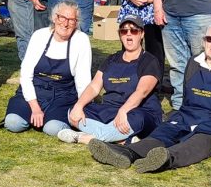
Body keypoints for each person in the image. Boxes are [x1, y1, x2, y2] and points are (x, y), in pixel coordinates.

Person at [88, 21, 211, 173]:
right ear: (204, 41)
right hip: (188, 114)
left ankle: (166, 158)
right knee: (164, 131)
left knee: (197, 142)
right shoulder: (193, 63)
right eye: (210, 39)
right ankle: (127, 153)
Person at [58, 15, 163, 145]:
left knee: (136, 119)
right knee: (73, 113)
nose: (129, 35)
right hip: (109, 110)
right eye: (124, 31)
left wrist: (123, 111)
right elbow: (94, 87)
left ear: (141, 34)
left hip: (138, 112)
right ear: (120, 35)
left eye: (134, 30)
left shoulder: (149, 61)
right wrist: (79, 106)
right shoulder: (111, 59)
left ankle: (83, 138)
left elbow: (141, 92)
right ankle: (121, 139)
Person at [3, 0, 93, 137]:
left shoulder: (81, 40)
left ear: (76, 23)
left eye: (71, 20)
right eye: (62, 17)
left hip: (63, 95)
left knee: (52, 128)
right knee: (13, 123)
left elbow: (83, 81)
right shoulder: (39, 36)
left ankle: (50, 120)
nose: (66, 23)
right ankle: (34, 116)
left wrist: (81, 108)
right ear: (54, 17)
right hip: (35, 91)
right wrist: (35, 108)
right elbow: (26, 75)